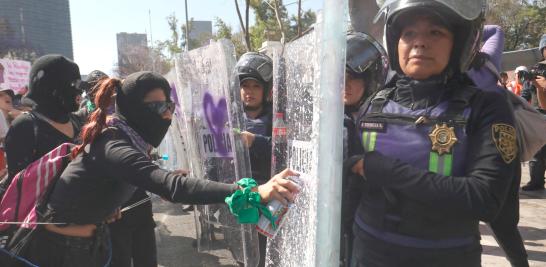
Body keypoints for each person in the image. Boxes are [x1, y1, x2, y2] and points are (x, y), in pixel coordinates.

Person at [21, 71, 298, 267]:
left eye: (170, 105)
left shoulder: (128, 139)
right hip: (61, 254)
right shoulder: (113, 144)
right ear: (132, 108)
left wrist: (104, 205)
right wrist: (254, 192)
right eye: (159, 107)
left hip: (88, 245)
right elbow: (172, 188)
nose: (167, 115)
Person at [348, 1, 517, 266]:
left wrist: (385, 170)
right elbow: (353, 186)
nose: (420, 43)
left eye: (435, 32)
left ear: (459, 42)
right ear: (396, 43)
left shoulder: (486, 107)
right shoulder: (375, 102)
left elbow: (485, 199)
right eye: (409, 34)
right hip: (367, 252)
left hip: (445, 257)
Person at [467, 24, 529, 267]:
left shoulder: (478, 62)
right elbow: (495, 31)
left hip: (488, 146)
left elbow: (496, 30)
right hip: (503, 146)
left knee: (496, 220)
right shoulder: (484, 61)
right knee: (504, 223)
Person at [340, 31, 388, 267]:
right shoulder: (323, 120)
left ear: (369, 80)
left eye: (353, 77)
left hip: (370, 219)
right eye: (339, 76)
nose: (345, 84)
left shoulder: (385, 118)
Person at [4, 55, 84, 181]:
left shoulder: (77, 121)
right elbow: (18, 186)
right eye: (74, 84)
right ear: (52, 86)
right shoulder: (25, 126)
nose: (80, 91)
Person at [236, 52, 273, 267]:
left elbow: (284, 150)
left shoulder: (276, 117)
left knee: (263, 253)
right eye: (245, 86)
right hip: (237, 196)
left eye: (255, 86)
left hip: (266, 198)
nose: (249, 92)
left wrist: (256, 141)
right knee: (242, 252)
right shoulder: (230, 117)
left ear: (265, 89)